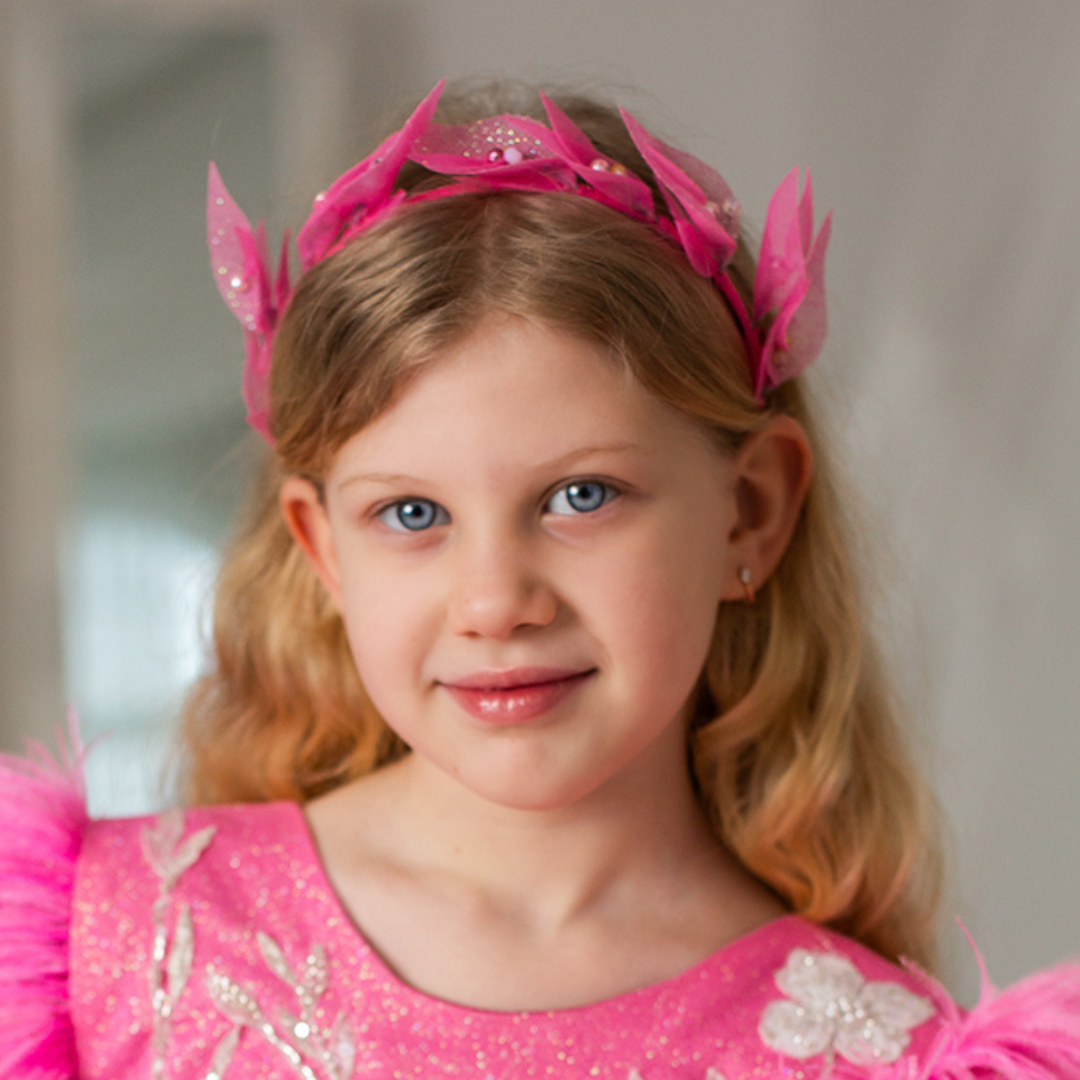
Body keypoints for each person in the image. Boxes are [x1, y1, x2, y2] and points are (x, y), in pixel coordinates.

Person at [1, 78, 1078, 1080]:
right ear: (322, 547)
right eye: (411, 514)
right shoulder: (104, 941)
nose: (495, 601)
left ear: (750, 510)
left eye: (580, 498)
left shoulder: (883, 1055)